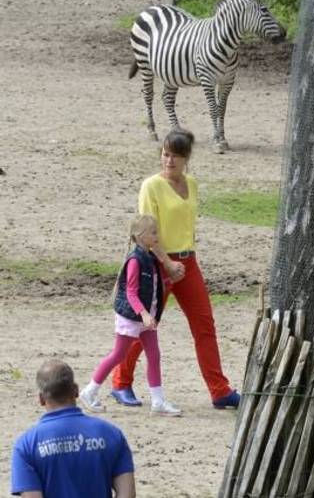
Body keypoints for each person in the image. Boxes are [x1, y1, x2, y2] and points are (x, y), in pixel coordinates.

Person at [111, 129, 241, 410]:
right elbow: (147, 228)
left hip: (188, 263)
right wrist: (166, 263)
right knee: (144, 324)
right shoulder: (151, 186)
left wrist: (184, 259)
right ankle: (120, 382)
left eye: (175, 156)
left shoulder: (192, 184)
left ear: (186, 158)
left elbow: (187, 225)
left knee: (204, 323)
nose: (169, 161)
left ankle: (220, 390)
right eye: (165, 154)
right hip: (159, 263)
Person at [79, 215, 182, 417]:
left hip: (146, 317)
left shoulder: (151, 258)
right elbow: (131, 293)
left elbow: (152, 285)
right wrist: (143, 314)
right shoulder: (135, 260)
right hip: (133, 317)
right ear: (140, 236)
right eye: (153, 232)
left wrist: (169, 280)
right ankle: (89, 391)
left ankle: (158, 401)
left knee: (154, 355)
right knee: (118, 354)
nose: (157, 236)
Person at [10, 360, 135, 498]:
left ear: (41, 398)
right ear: (75, 390)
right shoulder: (112, 434)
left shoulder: (26, 445)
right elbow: (127, 493)